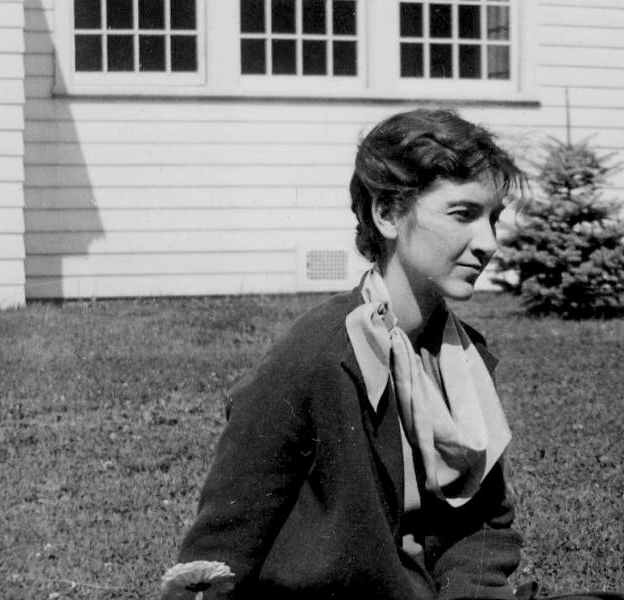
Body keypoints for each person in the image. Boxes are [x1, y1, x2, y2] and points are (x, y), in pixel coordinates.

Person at [162, 108, 526, 599]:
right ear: (388, 214)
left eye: (494, 219)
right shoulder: (314, 356)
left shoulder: (463, 359)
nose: (488, 243)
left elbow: (481, 524)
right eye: (463, 214)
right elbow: (222, 548)